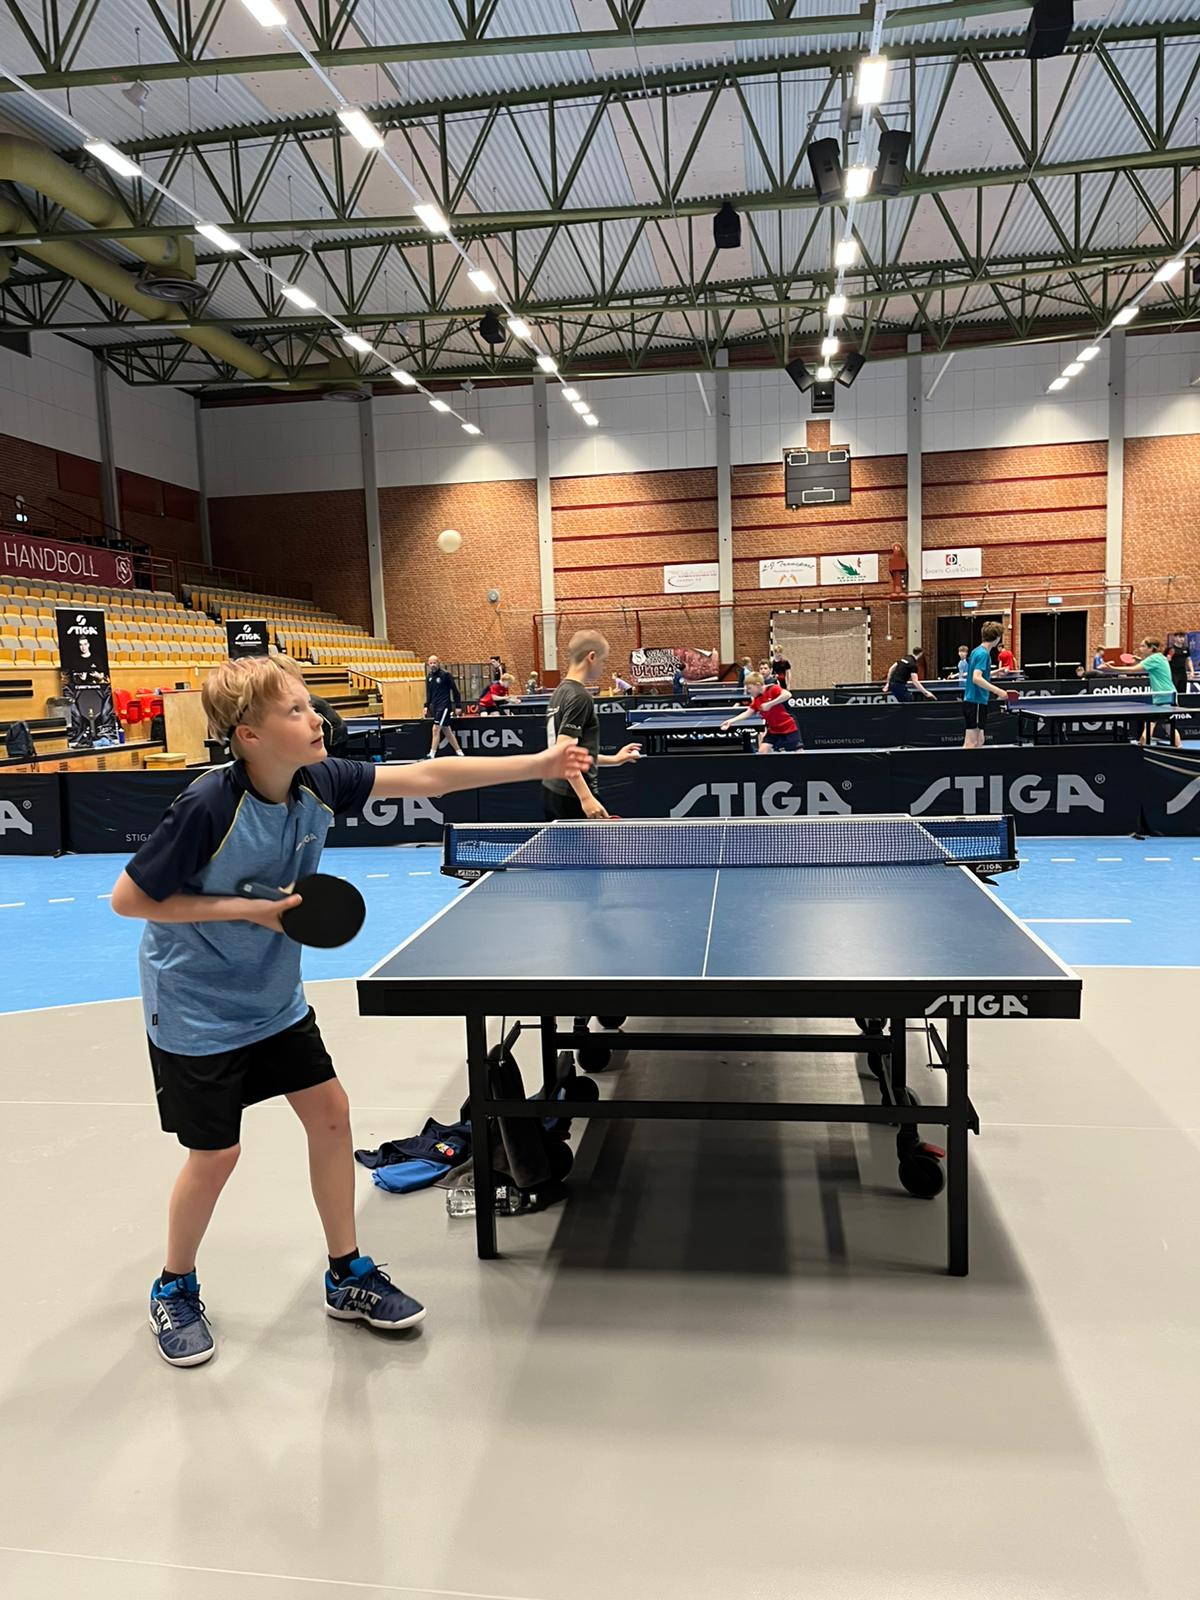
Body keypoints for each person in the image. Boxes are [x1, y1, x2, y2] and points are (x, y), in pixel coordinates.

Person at [110, 654, 591, 1368]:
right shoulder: (209, 806)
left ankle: (347, 1272)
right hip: (196, 1007)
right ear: (249, 735)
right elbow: (130, 900)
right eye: (295, 710)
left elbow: (427, 777)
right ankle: (174, 1286)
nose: (316, 719)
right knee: (216, 1154)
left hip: (272, 997)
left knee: (331, 1114)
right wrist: (249, 912)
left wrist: (539, 764)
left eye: (311, 704)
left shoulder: (320, 781)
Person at [544, 631, 642, 819]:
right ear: (591, 657)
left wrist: (615, 759)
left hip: (555, 792)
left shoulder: (559, 693)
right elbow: (565, 753)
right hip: (573, 795)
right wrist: (586, 798)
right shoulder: (580, 696)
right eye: (603, 661)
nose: (603, 667)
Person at [1110, 637, 1180, 747]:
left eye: (1143, 646)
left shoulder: (1153, 659)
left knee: (1153, 725)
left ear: (1151, 648)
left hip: (1165, 696)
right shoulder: (1160, 657)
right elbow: (1149, 665)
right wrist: (1139, 660)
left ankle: (1142, 749)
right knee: (1168, 727)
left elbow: (1133, 669)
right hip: (1168, 695)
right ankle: (1178, 748)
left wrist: (1111, 668)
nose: (1140, 648)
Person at [721, 672, 802, 754]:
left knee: (799, 752)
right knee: (762, 751)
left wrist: (770, 704)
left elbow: (787, 694)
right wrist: (731, 721)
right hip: (774, 729)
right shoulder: (757, 699)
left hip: (788, 726)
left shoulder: (773, 688)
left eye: (749, 688)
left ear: (758, 685)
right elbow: (748, 712)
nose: (748, 691)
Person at [962, 621, 1012, 749]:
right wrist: (999, 691)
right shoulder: (983, 654)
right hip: (976, 701)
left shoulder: (977, 651)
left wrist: (996, 671)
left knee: (979, 740)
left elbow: (979, 674)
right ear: (997, 638)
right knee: (971, 743)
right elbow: (976, 678)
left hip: (976, 701)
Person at [424, 654, 464, 758]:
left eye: (434, 663)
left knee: (435, 728)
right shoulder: (429, 677)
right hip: (435, 706)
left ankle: (432, 754)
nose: (433, 665)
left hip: (444, 706)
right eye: (431, 663)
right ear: (428, 664)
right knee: (446, 730)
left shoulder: (445, 675)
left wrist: (458, 705)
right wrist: (426, 705)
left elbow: (455, 691)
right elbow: (429, 693)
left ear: (438, 663)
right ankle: (459, 752)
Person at [306, 688, 349, 758]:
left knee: (334, 761)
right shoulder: (308, 699)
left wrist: (327, 747)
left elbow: (330, 725)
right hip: (337, 729)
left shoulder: (309, 704)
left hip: (336, 733)